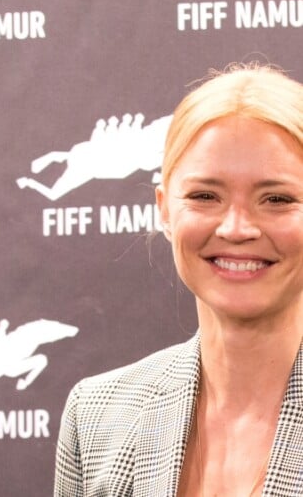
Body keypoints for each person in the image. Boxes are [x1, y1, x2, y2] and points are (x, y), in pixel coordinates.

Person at [54, 63, 303, 496]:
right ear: (165, 209)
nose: (236, 228)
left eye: (276, 199)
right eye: (205, 196)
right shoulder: (96, 417)